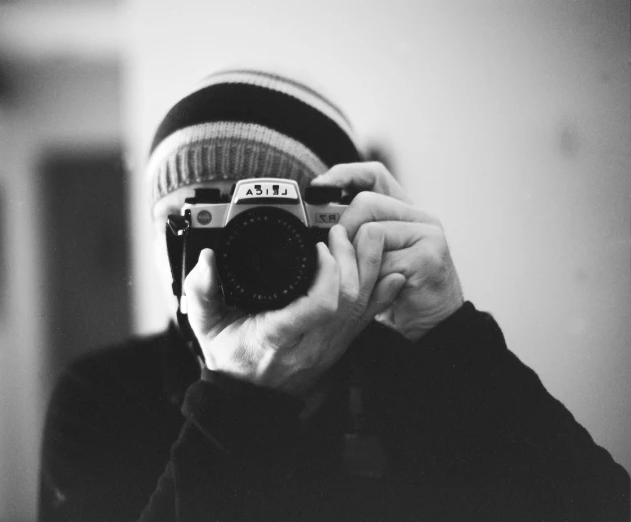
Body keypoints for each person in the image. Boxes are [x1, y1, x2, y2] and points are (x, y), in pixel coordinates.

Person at [38, 69, 629, 521]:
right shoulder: (101, 398)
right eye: (194, 224)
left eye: (267, 220)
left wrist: (450, 331)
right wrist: (237, 402)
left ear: (338, 222)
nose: (225, 258)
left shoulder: (417, 376)